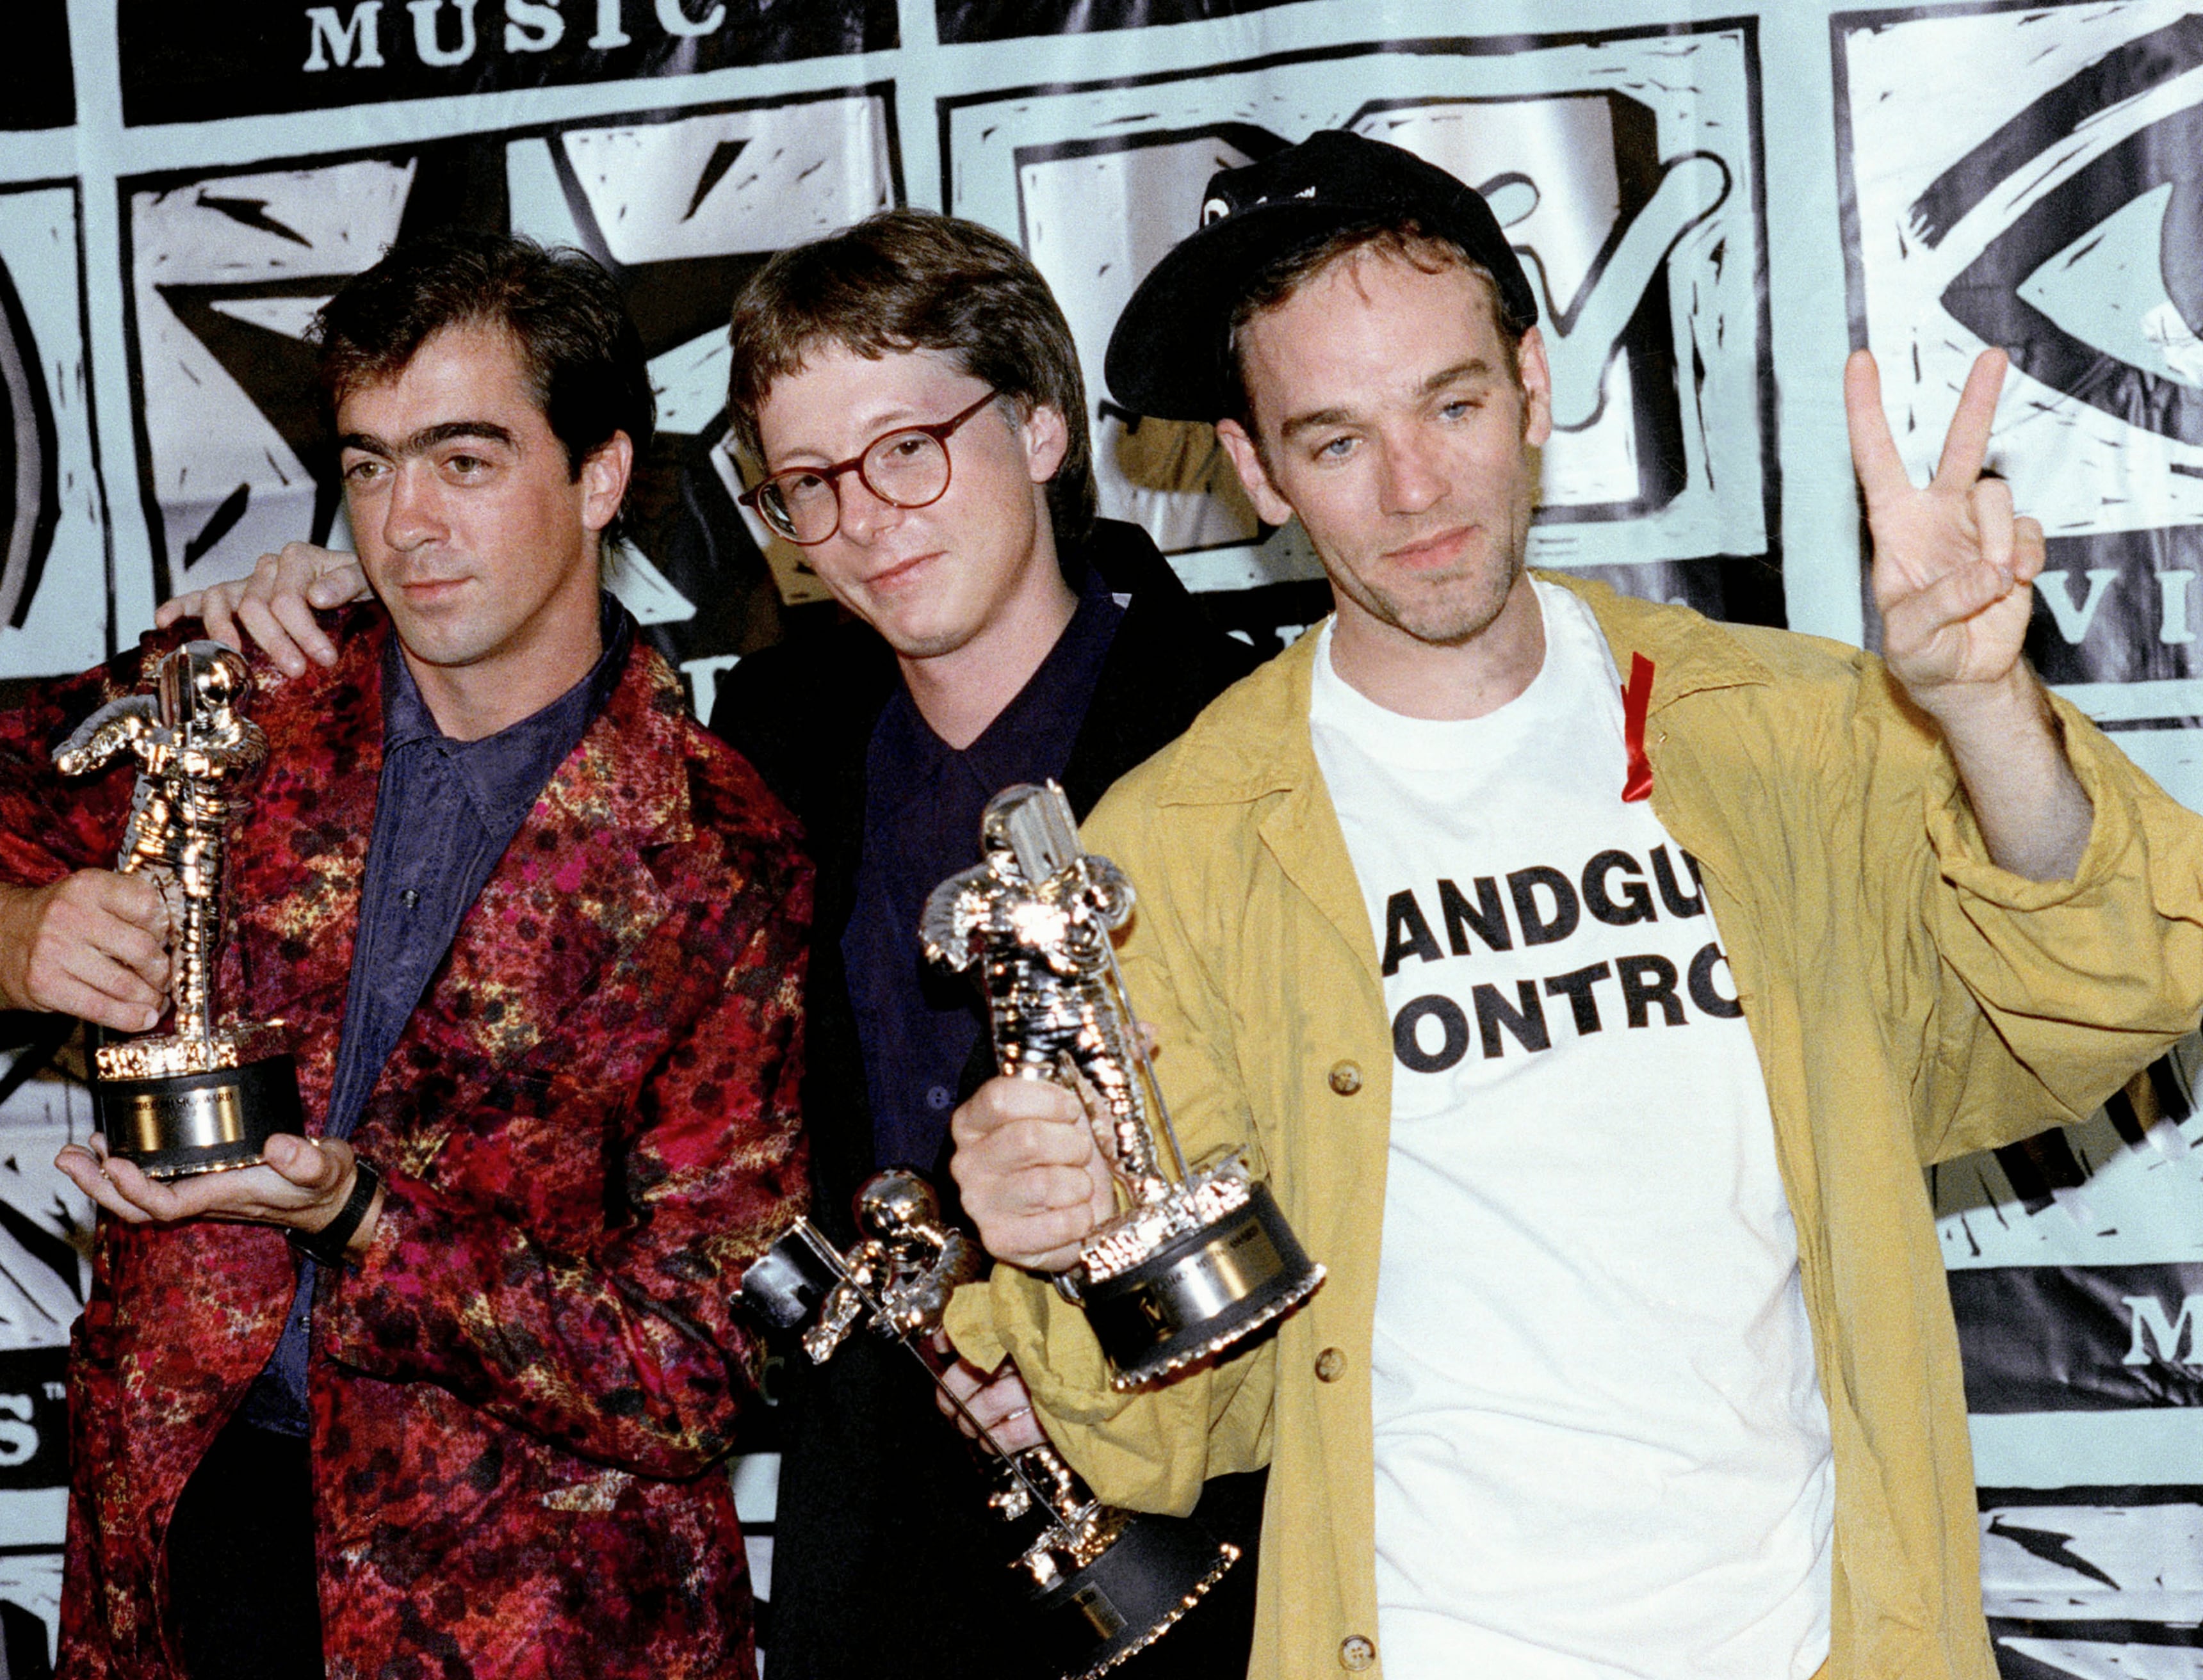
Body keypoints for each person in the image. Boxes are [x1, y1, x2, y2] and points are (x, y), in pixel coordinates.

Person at [940, 131, 2203, 1680]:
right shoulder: (1179, 855)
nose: (1416, 489)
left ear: (1536, 384)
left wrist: (1985, 708)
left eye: (1453, 404)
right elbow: (1182, 1432)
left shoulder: (1786, 731)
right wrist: (1064, 1238)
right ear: (1259, 471)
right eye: (1335, 441)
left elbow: (2117, 990)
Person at [165, 209, 1264, 1680]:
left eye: (908, 449)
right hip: (878, 1541)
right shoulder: (771, 742)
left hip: (1208, 1513)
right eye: (807, 482)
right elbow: (516, 632)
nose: (866, 518)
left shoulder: (1236, 739)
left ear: (1045, 427)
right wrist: (337, 589)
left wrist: (1108, 1368)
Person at [0, 232, 811, 1680]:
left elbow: (699, 1364)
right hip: (192, 1548)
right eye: (369, 465)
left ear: (603, 473)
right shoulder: (245, 701)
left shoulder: (716, 854)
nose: (406, 523)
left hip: (525, 1603)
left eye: (465, 461)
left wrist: (370, 1219)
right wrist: (0, 925)